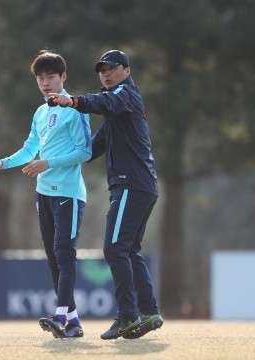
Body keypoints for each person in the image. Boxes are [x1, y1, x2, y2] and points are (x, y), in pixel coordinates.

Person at [48, 49, 163, 340]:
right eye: (102, 70)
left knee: (113, 249)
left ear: (126, 70)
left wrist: (73, 102)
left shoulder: (124, 94)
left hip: (130, 185)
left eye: (111, 68)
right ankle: (149, 312)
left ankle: (127, 317)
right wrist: (59, 154)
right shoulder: (116, 109)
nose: (106, 73)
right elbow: (91, 150)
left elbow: (100, 102)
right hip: (141, 186)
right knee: (128, 250)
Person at [0, 50, 92, 339]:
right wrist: (3, 163)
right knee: (53, 259)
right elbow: (30, 147)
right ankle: (72, 322)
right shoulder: (41, 111)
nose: (46, 83)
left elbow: (85, 151)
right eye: (41, 78)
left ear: (64, 77)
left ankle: (61, 315)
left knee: (64, 254)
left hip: (69, 195)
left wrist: (49, 163)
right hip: (43, 194)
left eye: (51, 77)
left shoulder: (75, 109)